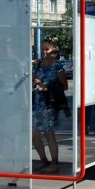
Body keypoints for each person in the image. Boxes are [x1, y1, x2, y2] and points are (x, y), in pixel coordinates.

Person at [32, 41, 68, 173]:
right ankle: (43, 161)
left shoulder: (57, 66)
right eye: (42, 49)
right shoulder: (37, 65)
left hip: (50, 105)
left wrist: (47, 86)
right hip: (37, 104)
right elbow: (32, 83)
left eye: (47, 49)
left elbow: (64, 86)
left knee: (49, 134)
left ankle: (54, 163)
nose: (44, 52)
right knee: (34, 135)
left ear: (53, 51)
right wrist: (35, 83)